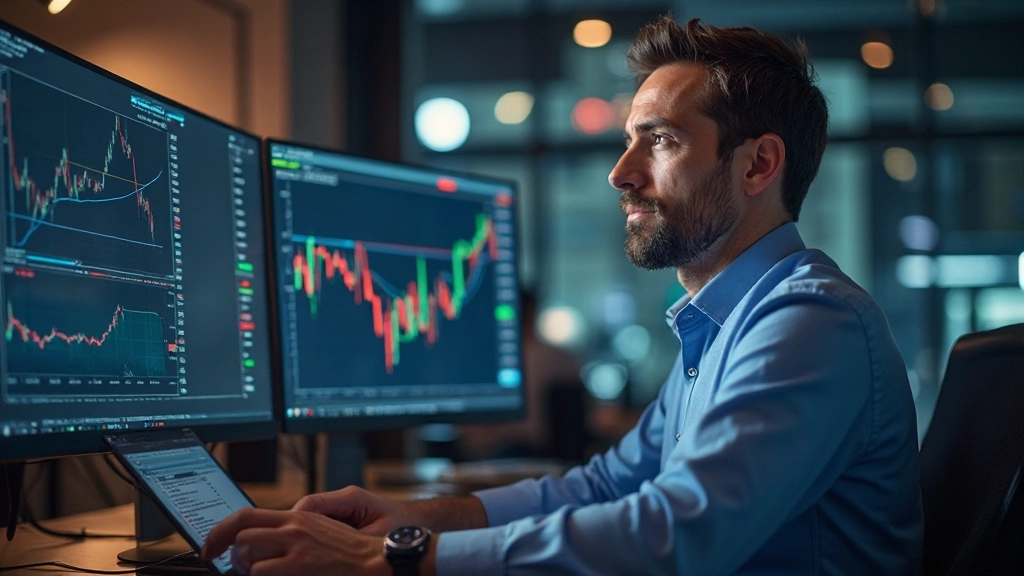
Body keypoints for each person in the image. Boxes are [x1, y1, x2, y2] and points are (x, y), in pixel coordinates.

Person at [203, 16, 923, 576]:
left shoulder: (807, 321)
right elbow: (607, 487)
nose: (620, 173)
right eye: (627, 142)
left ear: (759, 164)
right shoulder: (725, 324)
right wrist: (416, 518)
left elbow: (675, 536)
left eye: (660, 141)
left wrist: (390, 558)